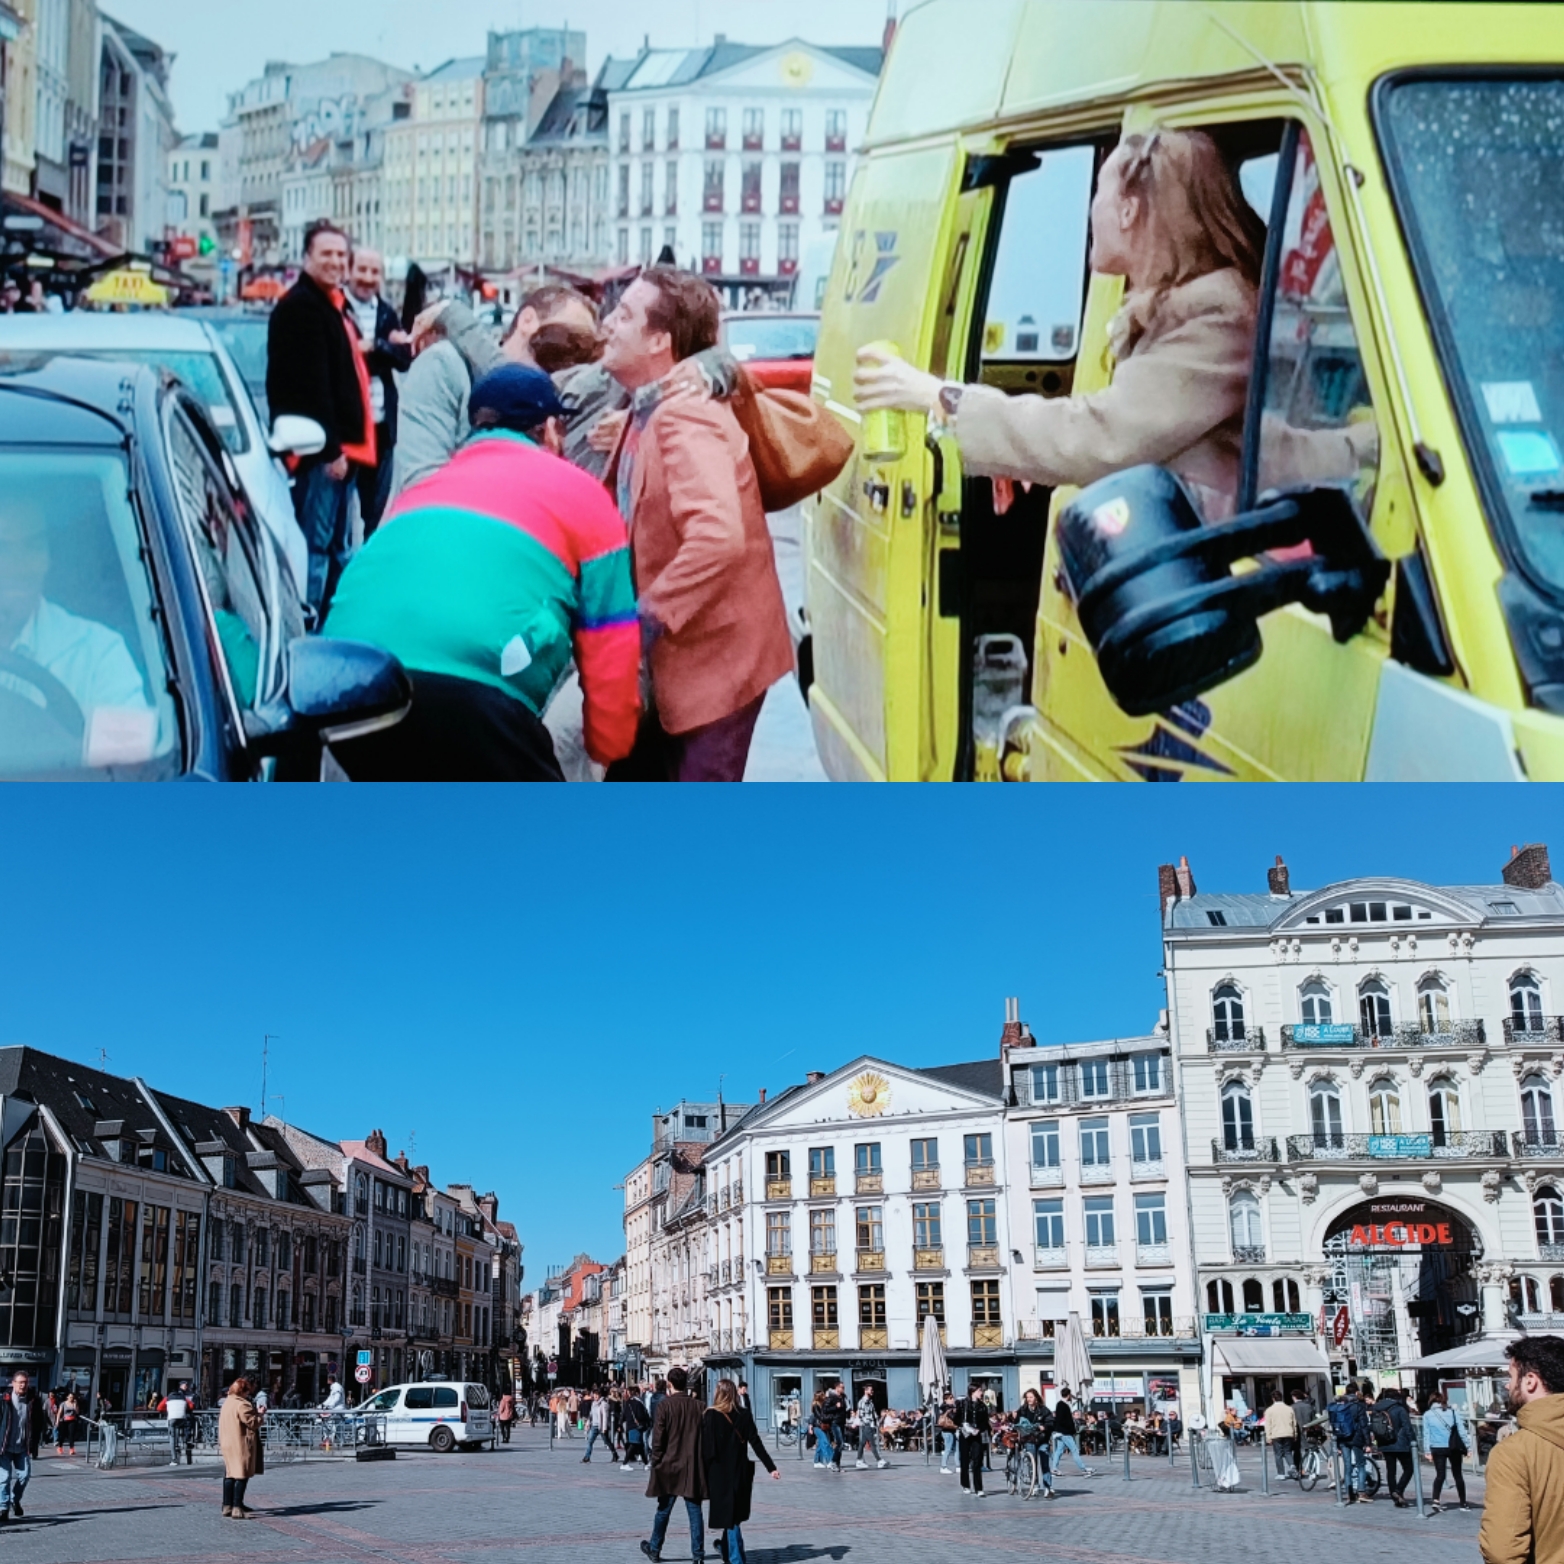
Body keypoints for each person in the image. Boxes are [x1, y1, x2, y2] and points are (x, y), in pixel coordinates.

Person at [855, 129, 1277, 528]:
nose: (1091, 209)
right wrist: (1023, 454)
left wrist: (939, 397)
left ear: (1128, 210)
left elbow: (1102, 434)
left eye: (1099, 191)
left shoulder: (1220, 319)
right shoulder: (1194, 312)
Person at [327, 365, 641, 782]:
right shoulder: (581, 493)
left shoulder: (420, 493)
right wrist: (609, 749)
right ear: (550, 429)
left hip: (342, 687)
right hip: (476, 698)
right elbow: (610, 643)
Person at [598, 268, 793, 783]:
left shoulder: (683, 416)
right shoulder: (647, 407)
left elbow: (718, 538)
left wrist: (645, 619)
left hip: (715, 670)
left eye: (624, 315)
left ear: (660, 340)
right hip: (684, 671)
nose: (609, 324)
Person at [390, 284, 601, 503]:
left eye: (584, 350)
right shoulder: (445, 365)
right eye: (568, 338)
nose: (573, 355)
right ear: (527, 320)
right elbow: (422, 481)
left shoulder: (560, 398)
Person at [266, 221, 376, 615]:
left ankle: (329, 622)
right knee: (315, 547)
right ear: (307, 257)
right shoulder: (301, 308)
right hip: (322, 452)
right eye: (325, 254)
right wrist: (331, 449)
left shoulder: (331, 304)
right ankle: (307, 623)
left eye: (339, 255)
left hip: (339, 448)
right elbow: (309, 386)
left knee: (335, 547)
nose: (334, 261)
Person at [345, 248, 413, 536]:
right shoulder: (337, 309)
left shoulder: (385, 312)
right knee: (337, 522)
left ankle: (368, 572)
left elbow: (404, 357)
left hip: (382, 428)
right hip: (347, 426)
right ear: (349, 271)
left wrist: (376, 347)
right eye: (362, 270)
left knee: (376, 513)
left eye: (374, 272)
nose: (367, 278)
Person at [1481, 1336, 1564, 1564]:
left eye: (1511, 1376)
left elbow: (1503, 1551)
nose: (1507, 1385)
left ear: (1530, 1381)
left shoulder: (1514, 1453)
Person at [701, 1377, 778, 1564]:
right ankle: (725, 1549)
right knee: (732, 1513)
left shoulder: (710, 1415)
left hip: (719, 1474)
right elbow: (756, 1442)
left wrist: (702, 1475)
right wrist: (771, 1467)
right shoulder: (743, 1414)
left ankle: (736, 1559)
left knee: (731, 1518)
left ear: (719, 1394)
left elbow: (707, 1450)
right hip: (739, 1471)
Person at [642, 1366, 706, 1564]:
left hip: (669, 1464)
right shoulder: (700, 1406)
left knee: (663, 1510)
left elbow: (658, 1439)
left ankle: (655, 1548)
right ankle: (698, 1554)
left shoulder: (664, 1406)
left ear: (669, 1384)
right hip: (691, 1465)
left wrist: (656, 1460)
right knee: (695, 1512)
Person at [0, 1370, 44, 1522]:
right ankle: (3, 1508)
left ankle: (14, 1499)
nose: (23, 1385)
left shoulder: (33, 1401)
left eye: (25, 1382)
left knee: (24, 1476)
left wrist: (35, 1443)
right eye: (20, 1382)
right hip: (4, 1446)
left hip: (22, 1447)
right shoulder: (4, 1399)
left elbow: (38, 1423)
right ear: (13, 1383)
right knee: (4, 1478)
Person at [219, 1376, 262, 1519]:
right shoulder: (242, 1404)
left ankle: (227, 1505)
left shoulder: (228, 1402)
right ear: (244, 1391)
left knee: (230, 1474)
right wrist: (260, 1414)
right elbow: (252, 1423)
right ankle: (237, 1507)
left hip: (227, 1442)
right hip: (240, 1443)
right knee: (241, 1474)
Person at [1423, 1389, 1470, 1513]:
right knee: (1458, 1475)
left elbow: (1426, 1434)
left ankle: (1435, 1500)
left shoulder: (1427, 1415)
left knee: (1440, 1475)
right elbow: (1462, 1431)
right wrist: (1468, 1447)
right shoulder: (1453, 1412)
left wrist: (1427, 1451)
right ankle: (1463, 1503)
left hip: (1437, 1447)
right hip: (1453, 1446)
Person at [1328, 1380, 1372, 1503]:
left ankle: (1349, 1493)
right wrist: (1368, 1443)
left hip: (1342, 1438)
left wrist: (1336, 1444)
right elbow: (1364, 1425)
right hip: (1356, 1438)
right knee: (1361, 1465)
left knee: (1347, 1466)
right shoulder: (1358, 1406)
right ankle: (1361, 1492)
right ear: (1356, 1392)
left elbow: (1334, 1425)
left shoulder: (1339, 1406)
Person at [1371, 1386, 1415, 1507]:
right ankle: (1399, 1490)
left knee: (1391, 1471)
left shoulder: (1376, 1409)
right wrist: (1413, 1442)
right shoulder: (1399, 1409)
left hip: (1384, 1442)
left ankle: (1396, 1498)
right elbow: (1407, 1427)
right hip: (1400, 1443)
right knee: (1409, 1468)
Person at [1016, 1388, 1056, 1498]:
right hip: (1029, 1438)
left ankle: (1047, 1487)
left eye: (1031, 1397)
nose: (1029, 1399)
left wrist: (1045, 1426)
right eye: (1027, 1397)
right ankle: (1035, 1484)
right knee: (1031, 1463)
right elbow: (1016, 1420)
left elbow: (1051, 1422)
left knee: (1044, 1463)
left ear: (1036, 1398)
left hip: (1042, 1439)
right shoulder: (1023, 1410)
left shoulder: (1044, 1410)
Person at [1051, 1387, 1095, 1478]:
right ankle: (1084, 1469)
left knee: (1059, 1450)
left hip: (1061, 1432)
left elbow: (1058, 1419)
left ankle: (1054, 1468)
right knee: (1074, 1450)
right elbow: (1064, 1420)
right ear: (1069, 1395)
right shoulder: (1063, 1405)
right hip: (1065, 1433)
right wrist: (1070, 1429)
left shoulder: (1060, 1404)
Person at [958, 1381, 990, 1497]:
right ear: (973, 1392)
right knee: (965, 1460)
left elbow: (985, 1422)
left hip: (977, 1434)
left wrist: (979, 1429)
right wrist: (964, 1425)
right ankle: (966, 1485)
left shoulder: (983, 1406)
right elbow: (956, 1418)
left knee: (977, 1460)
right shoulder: (963, 1404)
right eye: (979, 1390)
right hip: (965, 1434)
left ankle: (979, 1488)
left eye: (981, 1390)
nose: (981, 1392)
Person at [1263, 1390, 1297, 1478]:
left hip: (1276, 1434)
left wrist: (1268, 1437)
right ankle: (1292, 1465)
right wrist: (1295, 1434)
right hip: (1288, 1433)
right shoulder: (1289, 1408)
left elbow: (1268, 1425)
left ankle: (1281, 1473)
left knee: (1278, 1454)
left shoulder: (1269, 1410)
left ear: (1273, 1399)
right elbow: (1294, 1423)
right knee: (1288, 1452)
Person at [854, 1388, 888, 1469]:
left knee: (862, 1443)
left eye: (873, 1390)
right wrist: (868, 1423)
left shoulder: (870, 1402)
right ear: (865, 1391)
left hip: (870, 1425)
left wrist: (877, 1423)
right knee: (872, 1443)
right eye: (870, 1390)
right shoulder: (862, 1402)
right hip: (867, 1425)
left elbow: (873, 1414)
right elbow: (861, 1414)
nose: (872, 1391)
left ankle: (859, 1460)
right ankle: (879, 1460)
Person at [623, 1383, 653, 1470]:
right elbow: (640, 1415)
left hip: (630, 1425)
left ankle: (646, 1463)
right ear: (637, 1393)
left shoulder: (628, 1402)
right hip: (636, 1426)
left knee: (640, 1446)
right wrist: (646, 1419)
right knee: (634, 1444)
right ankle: (624, 1463)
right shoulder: (637, 1403)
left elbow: (624, 1414)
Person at [166, 1382, 192, 1467]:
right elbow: (191, 1406)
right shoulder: (184, 1398)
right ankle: (180, 1444)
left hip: (172, 1418)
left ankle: (174, 1459)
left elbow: (159, 1407)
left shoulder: (167, 1398)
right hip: (182, 1418)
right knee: (179, 1427)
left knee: (172, 1436)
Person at [585, 1388, 612, 1462]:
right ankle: (587, 1457)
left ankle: (614, 1453)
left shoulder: (603, 1404)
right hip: (594, 1426)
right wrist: (588, 1423)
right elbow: (591, 1415)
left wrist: (604, 1428)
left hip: (601, 1426)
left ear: (600, 1395)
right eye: (594, 1394)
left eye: (597, 1394)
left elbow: (605, 1417)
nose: (595, 1396)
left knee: (607, 1441)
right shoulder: (593, 1403)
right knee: (590, 1441)